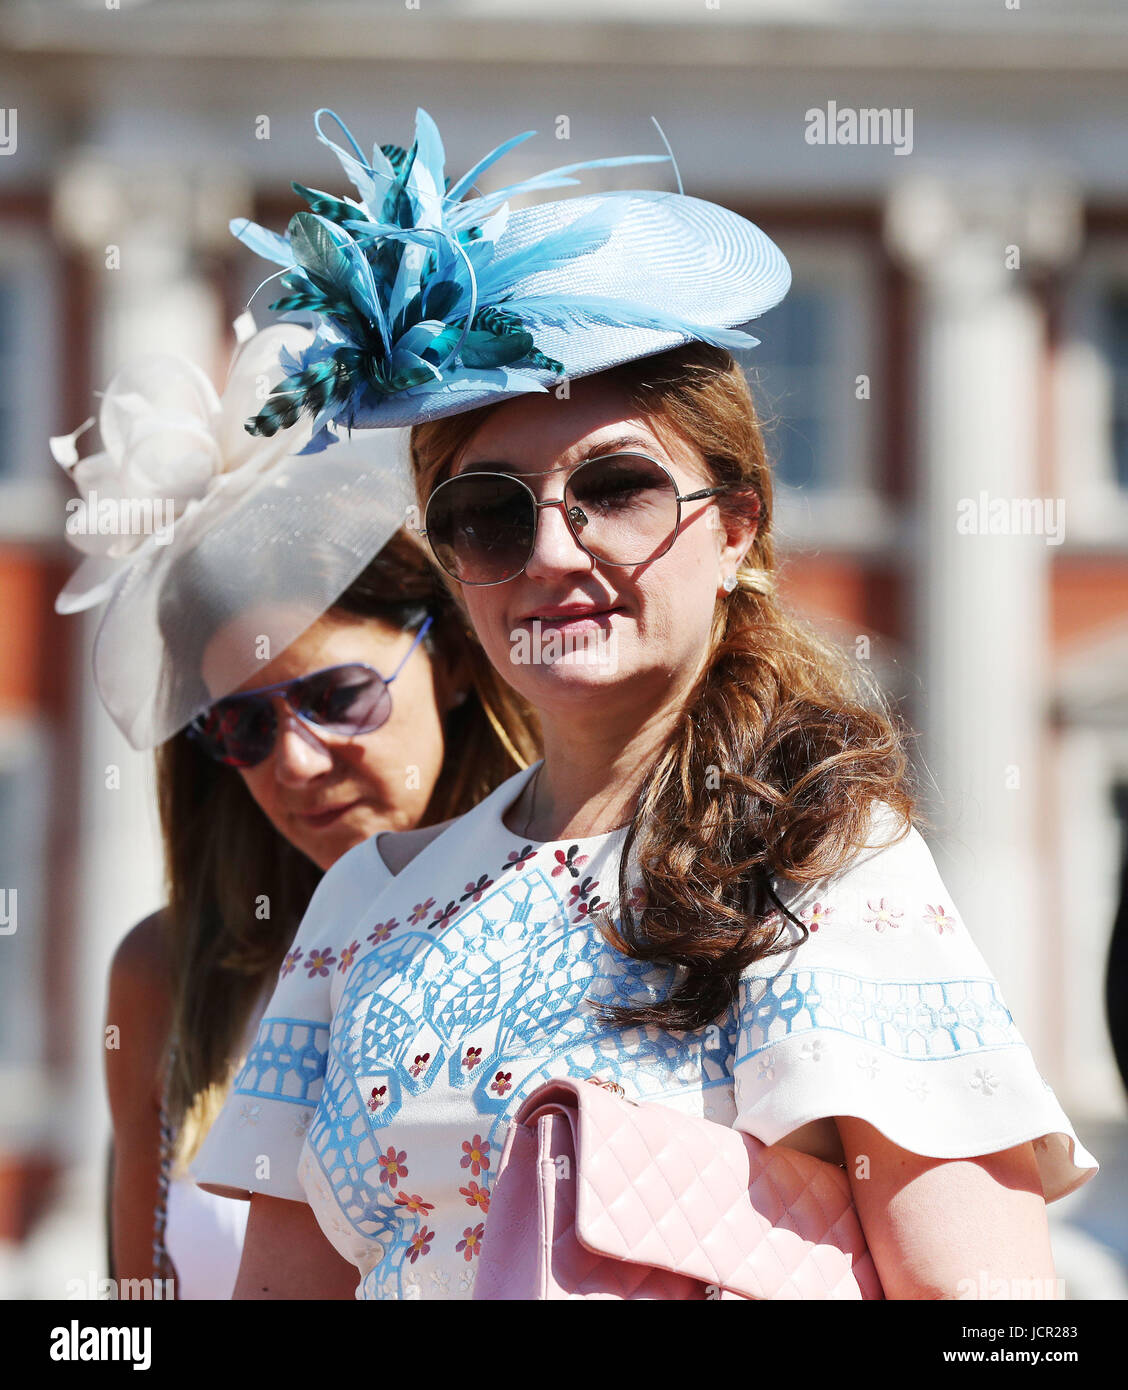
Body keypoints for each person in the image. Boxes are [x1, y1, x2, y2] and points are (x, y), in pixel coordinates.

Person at [192, 108, 1098, 1300]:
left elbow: (991, 1312)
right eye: (489, 512)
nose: (555, 553)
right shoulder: (371, 899)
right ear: (453, 562)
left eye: (615, 489)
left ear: (735, 527)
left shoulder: (823, 862)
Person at [53, 320, 538, 1299]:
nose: (297, 762)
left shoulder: (588, 912)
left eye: (337, 696)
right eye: (241, 729)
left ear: (445, 662)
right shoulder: (166, 970)